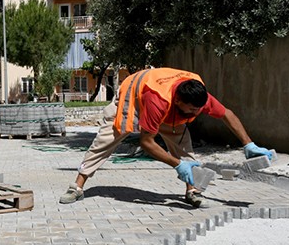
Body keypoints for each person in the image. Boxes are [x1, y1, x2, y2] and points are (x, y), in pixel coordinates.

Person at [59, 67, 273, 207]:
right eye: (191, 110)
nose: (194, 115)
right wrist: (177, 164)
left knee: (184, 146)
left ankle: (192, 191)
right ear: (178, 101)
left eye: (197, 111)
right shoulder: (157, 101)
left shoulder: (197, 97)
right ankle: (77, 186)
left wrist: (249, 144)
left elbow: (227, 114)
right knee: (107, 139)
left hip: (168, 109)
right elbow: (146, 142)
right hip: (132, 97)